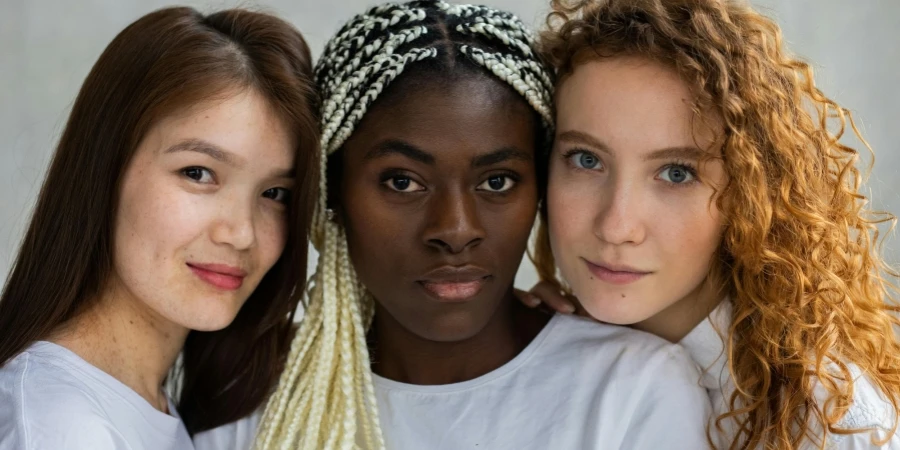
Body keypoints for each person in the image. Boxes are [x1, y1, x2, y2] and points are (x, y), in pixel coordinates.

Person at [194, 2, 711, 450]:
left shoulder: (633, 387)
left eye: (497, 181)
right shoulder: (254, 398)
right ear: (331, 193)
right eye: (402, 182)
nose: (456, 230)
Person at [522, 0, 900, 448]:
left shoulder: (830, 421)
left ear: (751, 194)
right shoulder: (559, 350)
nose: (616, 225)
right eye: (586, 160)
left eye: (677, 173)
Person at [0, 7, 319, 449]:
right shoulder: (63, 429)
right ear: (104, 170)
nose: (241, 233)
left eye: (275, 194)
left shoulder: (144, 405)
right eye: (198, 173)